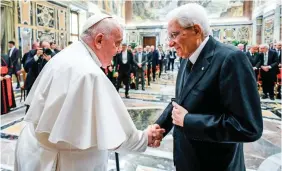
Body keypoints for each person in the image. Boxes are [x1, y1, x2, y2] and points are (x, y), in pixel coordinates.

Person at [14, 13, 165, 171]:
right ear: (99, 40)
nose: (118, 50)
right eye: (117, 43)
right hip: (65, 163)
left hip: (34, 152)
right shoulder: (90, 74)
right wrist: (145, 137)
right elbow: (116, 136)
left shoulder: (66, 55)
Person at [151, 4, 263, 171]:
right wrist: (160, 126)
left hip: (215, 164)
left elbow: (248, 127)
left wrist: (189, 121)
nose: (170, 43)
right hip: (186, 161)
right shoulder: (186, 57)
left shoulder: (230, 59)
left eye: (174, 35)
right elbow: (182, 100)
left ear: (196, 30)